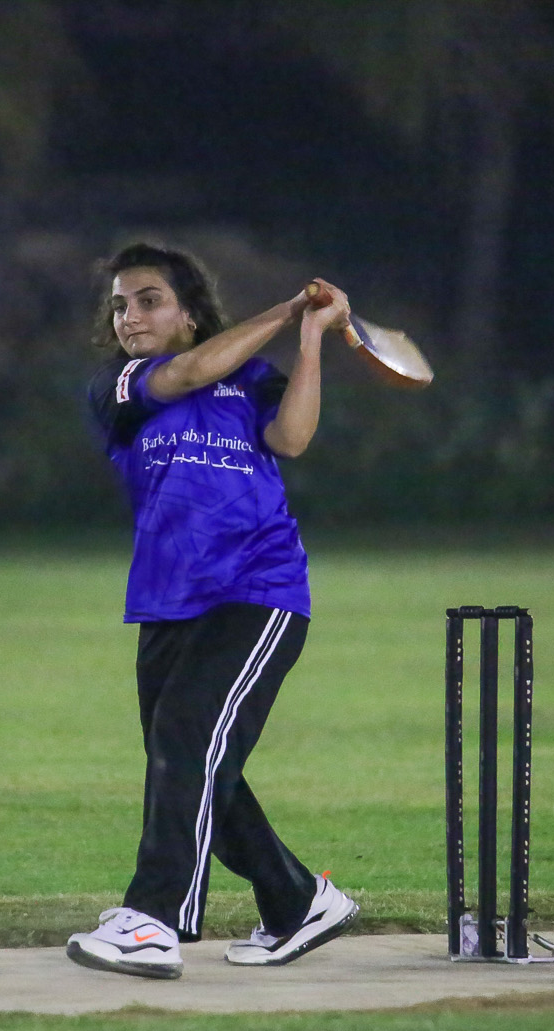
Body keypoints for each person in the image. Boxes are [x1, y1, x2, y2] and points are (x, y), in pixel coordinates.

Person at [68, 242, 359, 980]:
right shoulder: (122, 384)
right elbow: (193, 372)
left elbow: (291, 437)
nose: (129, 316)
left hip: (258, 588)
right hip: (168, 599)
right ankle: (298, 900)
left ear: (190, 313)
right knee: (188, 758)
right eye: (120, 305)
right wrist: (291, 307)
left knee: (187, 737)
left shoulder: (253, 379)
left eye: (148, 300)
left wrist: (311, 337)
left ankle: (154, 919)